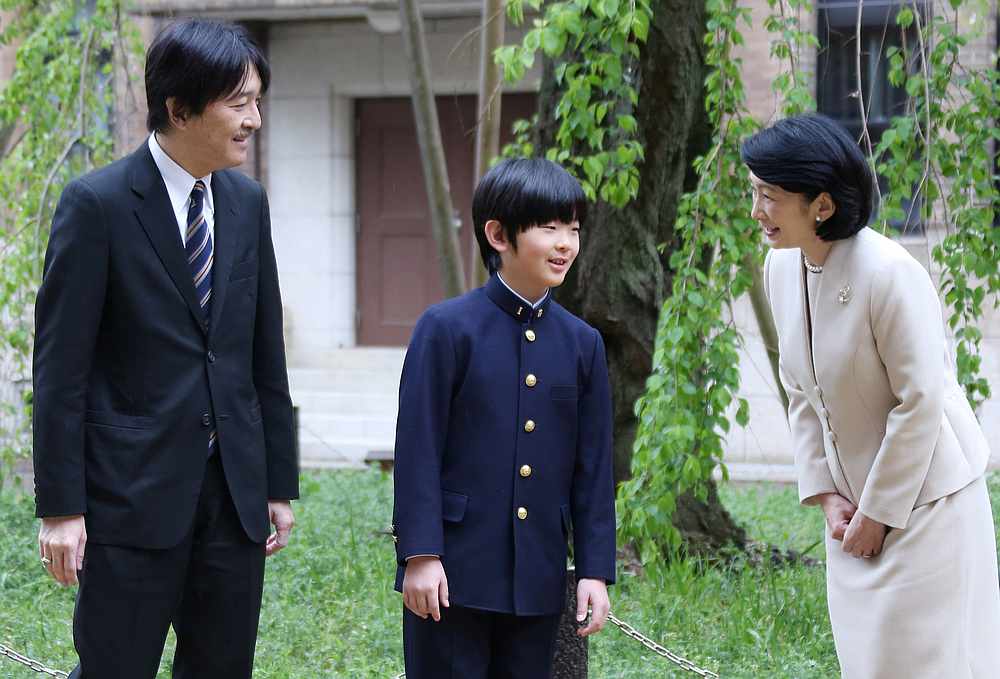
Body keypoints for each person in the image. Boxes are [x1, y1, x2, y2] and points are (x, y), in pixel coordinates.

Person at [32, 18, 298, 679]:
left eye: (257, 101)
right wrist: (62, 508)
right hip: (130, 497)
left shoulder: (247, 202)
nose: (254, 119)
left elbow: (263, 351)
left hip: (231, 496)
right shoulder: (96, 205)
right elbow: (61, 368)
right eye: (238, 102)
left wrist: (275, 479)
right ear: (180, 107)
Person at [745, 113, 1000, 678]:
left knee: (936, 664)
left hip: (928, 507)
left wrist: (880, 513)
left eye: (769, 196)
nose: (756, 211)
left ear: (822, 205)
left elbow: (922, 401)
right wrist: (827, 495)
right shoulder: (781, 267)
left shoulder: (889, 272)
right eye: (754, 192)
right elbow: (800, 391)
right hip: (851, 513)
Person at [391, 158, 616, 678]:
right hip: (450, 578)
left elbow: (594, 467)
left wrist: (594, 571)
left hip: (536, 578)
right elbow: (418, 449)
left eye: (574, 229)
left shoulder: (583, 344)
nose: (565, 243)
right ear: (498, 234)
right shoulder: (447, 329)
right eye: (548, 227)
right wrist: (420, 555)